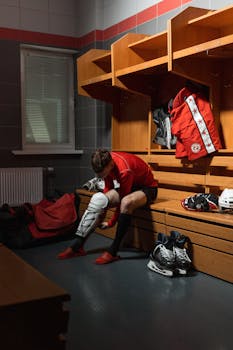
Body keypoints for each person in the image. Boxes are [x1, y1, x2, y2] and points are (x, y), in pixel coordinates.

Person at [58, 149, 158, 264]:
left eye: (103, 174)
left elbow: (121, 200)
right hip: (130, 186)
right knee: (99, 199)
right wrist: (103, 208)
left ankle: (113, 251)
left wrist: (111, 222)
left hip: (147, 188)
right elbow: (108, 188)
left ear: (110, 165)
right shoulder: (106, 161)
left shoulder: (124, 170)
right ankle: (77, 246)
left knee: (126, 202)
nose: (101, 176)